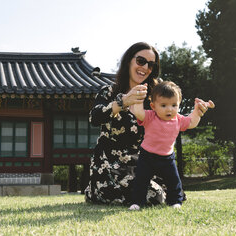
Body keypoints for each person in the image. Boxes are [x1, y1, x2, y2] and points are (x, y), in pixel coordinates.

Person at [84, 42, 209, 205]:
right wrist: (123, 102)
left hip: (143, 161)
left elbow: (174, 118)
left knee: (172, 192)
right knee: (153, 196)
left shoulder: (154, 96)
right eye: (141, 61)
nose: (145, 67)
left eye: (151, 64)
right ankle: (97, 190)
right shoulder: (109, 92)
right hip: (110, 162)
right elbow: (95, 117)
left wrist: (197, 112)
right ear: (129, 60)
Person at [129, 81, 215, 210]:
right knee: (141, 181)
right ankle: (137, 203)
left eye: (174, 105)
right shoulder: (150, 116)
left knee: (174, 181)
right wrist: (139, 98)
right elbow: (138, 112)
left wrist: (197, 111)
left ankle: (175, 202)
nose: (169, 109)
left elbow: (192, 122)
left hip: (167, 158)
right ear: (153, 106)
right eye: (163, 105)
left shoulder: (179, 119)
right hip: (147, 156)